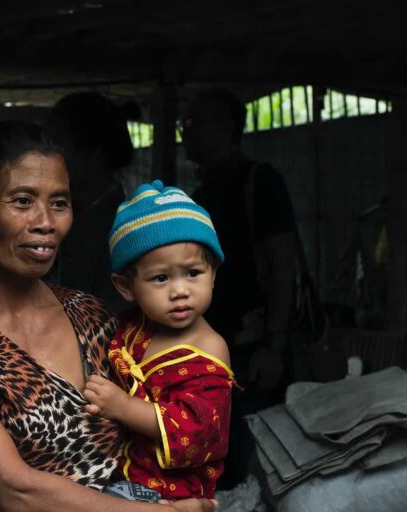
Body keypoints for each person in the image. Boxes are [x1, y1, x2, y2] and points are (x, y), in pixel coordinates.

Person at [0, 121, 218, 512]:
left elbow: (178, 410)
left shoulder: (94, 315)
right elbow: (12, 490)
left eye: (59, 203)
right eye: (22, 201)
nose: (46, 222)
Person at [83, 180, 234, 502]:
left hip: (170, 492)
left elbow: (200, 430)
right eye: (161, 278)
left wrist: (123, 407)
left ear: (214, 274)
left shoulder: (208, 349)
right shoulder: (134, 326)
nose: (180, 290)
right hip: (121, 469)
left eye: (193, 273)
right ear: (125, 287)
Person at [181, 87, 297, 488]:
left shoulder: (258, 181)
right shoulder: (202, 193)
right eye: (185, 123)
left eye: (195, 123)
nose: (186, 132)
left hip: (254, 350)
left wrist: (275, 344)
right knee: (221, 465)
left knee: (257, 463)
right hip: (216, 350)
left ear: (227, 128)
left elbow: (284, 264)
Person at [44, 92, 134, 313]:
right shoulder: (63, 215)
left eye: (58, 145)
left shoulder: (122, 231)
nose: (47, 157)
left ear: (92, 152)